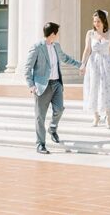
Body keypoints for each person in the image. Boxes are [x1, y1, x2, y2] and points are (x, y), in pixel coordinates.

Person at [22, 21, 81, 154]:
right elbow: (27, 68)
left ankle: (53, 128)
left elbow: (65, 58)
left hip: (56, 84)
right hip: (42, 86)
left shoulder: (56, 46)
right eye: (57, 33)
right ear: (53, 34)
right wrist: (31, 85)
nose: (58, 35)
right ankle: (40, 144)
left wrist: (80, 65)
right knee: (40, 117)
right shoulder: (37, 47)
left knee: (59, 109)